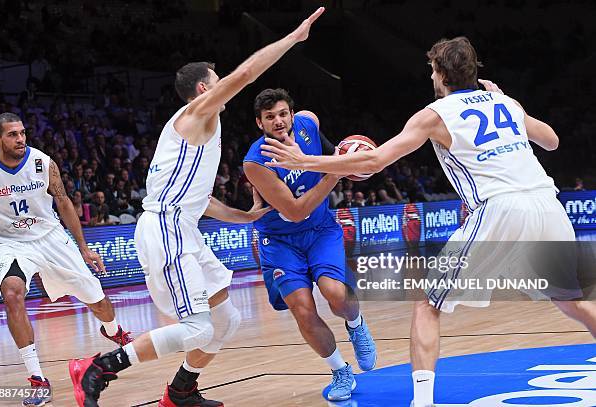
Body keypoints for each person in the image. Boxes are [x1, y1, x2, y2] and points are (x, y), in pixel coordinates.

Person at [260, 36, 596, 407]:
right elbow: (551, 141)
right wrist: (510, 104)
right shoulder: (505, 101)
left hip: (501, 208)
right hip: (548, 204)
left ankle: (422, 402)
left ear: (439, 74)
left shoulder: (435, 114)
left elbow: (374, 162)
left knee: (427, 304)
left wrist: (304, 161)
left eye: (432, 70)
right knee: (573, 301)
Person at [69, 7, 325, 407]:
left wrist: (242, 217)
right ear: (205, 90)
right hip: (165, 231)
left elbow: (200, 199)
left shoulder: (203, 128)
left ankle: (181, 391)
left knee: (227, 320)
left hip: (183, 227)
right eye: (217, 78)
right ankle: (99, 367)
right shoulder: (197, 113)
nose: (224, 82)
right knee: (199, 329)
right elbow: (246, 75)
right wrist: (293, 38)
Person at [0, 113, 133, 407]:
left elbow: (63, 201)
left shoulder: (42, 162)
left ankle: (113, 331)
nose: (21, 139)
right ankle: (37, 379)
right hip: (9, 242)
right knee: (12, 295)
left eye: (23, 133)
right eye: (13, 135)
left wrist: (83, 247)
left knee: (99, 301)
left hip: (51, 236)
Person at [243, 88, 377, 401]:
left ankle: (356, 325)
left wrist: (351, 163)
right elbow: (294, 210)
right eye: (270, 117)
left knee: (335, 294)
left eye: (282, 114)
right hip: (280, 240)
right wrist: (335, 172)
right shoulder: (256, 162)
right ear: (259, 124)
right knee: (303, 311)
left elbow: (335, 156)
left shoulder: (309, 123)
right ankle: (340, 370)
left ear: (292, 113)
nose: (278, 121)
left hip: (319, 230)